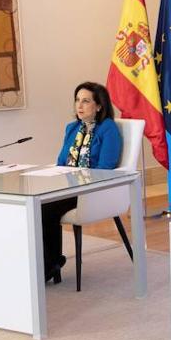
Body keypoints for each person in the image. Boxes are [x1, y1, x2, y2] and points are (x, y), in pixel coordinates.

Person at [40, 82, 122, 284]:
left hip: (91, 190)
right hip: (67, 187)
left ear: (99, 106)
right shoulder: (72, 128)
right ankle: (48, 262)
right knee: (37, 206)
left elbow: (105, 168)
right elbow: (61, 162)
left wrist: (77, 181)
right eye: (77, 100)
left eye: (86, 101)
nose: (79, 105)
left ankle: (49, 264)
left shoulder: (108, 129)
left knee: (46, 209)